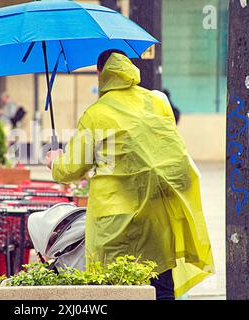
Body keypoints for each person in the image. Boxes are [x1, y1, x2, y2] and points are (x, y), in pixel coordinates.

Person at [45, 50, 214, 300]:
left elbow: (72, 168)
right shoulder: (157, 102)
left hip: (114, 223)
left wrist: (55, 161)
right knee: (159, 281)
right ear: (129, 70)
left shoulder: (96, 113)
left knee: (114, 287)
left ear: (101, 74)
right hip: (157, 214)